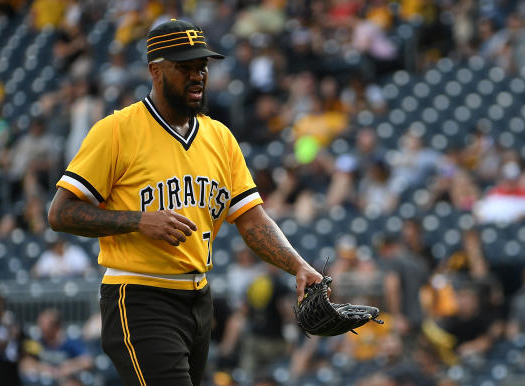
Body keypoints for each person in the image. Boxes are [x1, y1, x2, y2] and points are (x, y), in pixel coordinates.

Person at [47, 19, 323, 386]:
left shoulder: (219, 137)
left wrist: (298, 266)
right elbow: (60, 212)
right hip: (140, 295)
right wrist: (137, 220)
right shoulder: (116, 130)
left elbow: (252, 220)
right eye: (185, 67)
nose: (197, 76)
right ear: (155, 71)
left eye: (202, 67)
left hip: (199, 299)